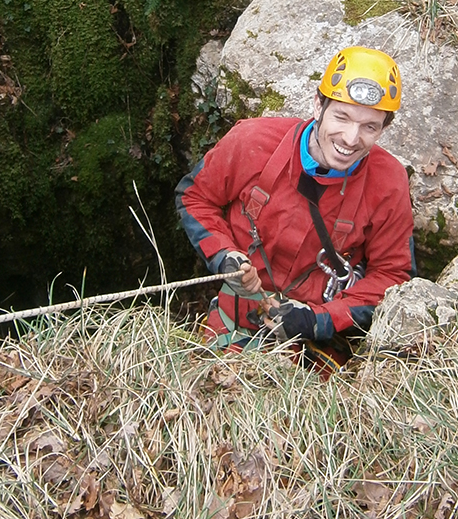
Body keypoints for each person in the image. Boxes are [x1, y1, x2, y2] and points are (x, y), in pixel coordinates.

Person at [176, 46, 416, 374]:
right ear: (319, 105)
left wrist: (320, 320)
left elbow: (392, 274)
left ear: (384, 129)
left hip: (322, 335)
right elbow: (195, 197)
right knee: (215, 388)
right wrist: (224, 256)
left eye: (369, 127)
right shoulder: (253, 141)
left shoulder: (388, 183)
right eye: (341, 117)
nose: (350, 138)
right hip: (242, 311)